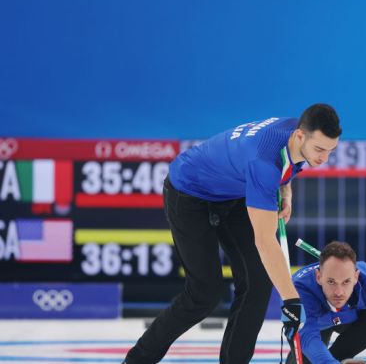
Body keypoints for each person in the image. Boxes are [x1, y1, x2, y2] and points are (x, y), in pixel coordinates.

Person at [124, 104, 342, 364]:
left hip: (232, 192)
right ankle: (136, 361)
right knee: (204, 293)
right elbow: (264, 241)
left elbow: (287, 162)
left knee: (257, 283)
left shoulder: (296, 131)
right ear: (299, 136)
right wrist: (291, 300)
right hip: (189, 192)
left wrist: (286, 189)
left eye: (330, 151)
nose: (323, 158)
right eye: (319, 150)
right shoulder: (263, 163)